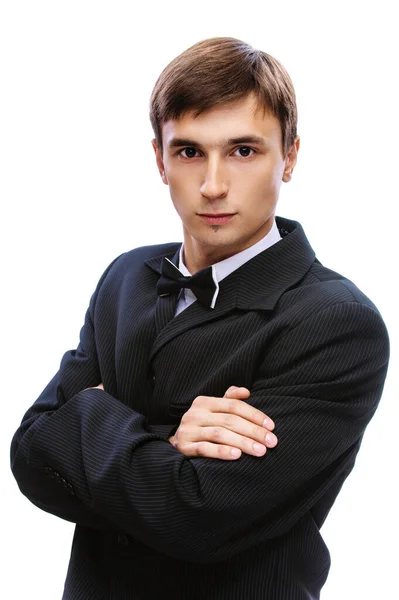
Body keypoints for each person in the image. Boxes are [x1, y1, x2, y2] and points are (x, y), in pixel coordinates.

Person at [10, 36, 390, 600]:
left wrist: (89, 409)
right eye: (190, 151)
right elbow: (29, 456)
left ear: (289, 156)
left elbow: (198, 517)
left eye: (243, 150)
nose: (213, 185)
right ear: (160, 160)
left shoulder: (337, 322)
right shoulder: (126, 276)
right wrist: (170, 441)